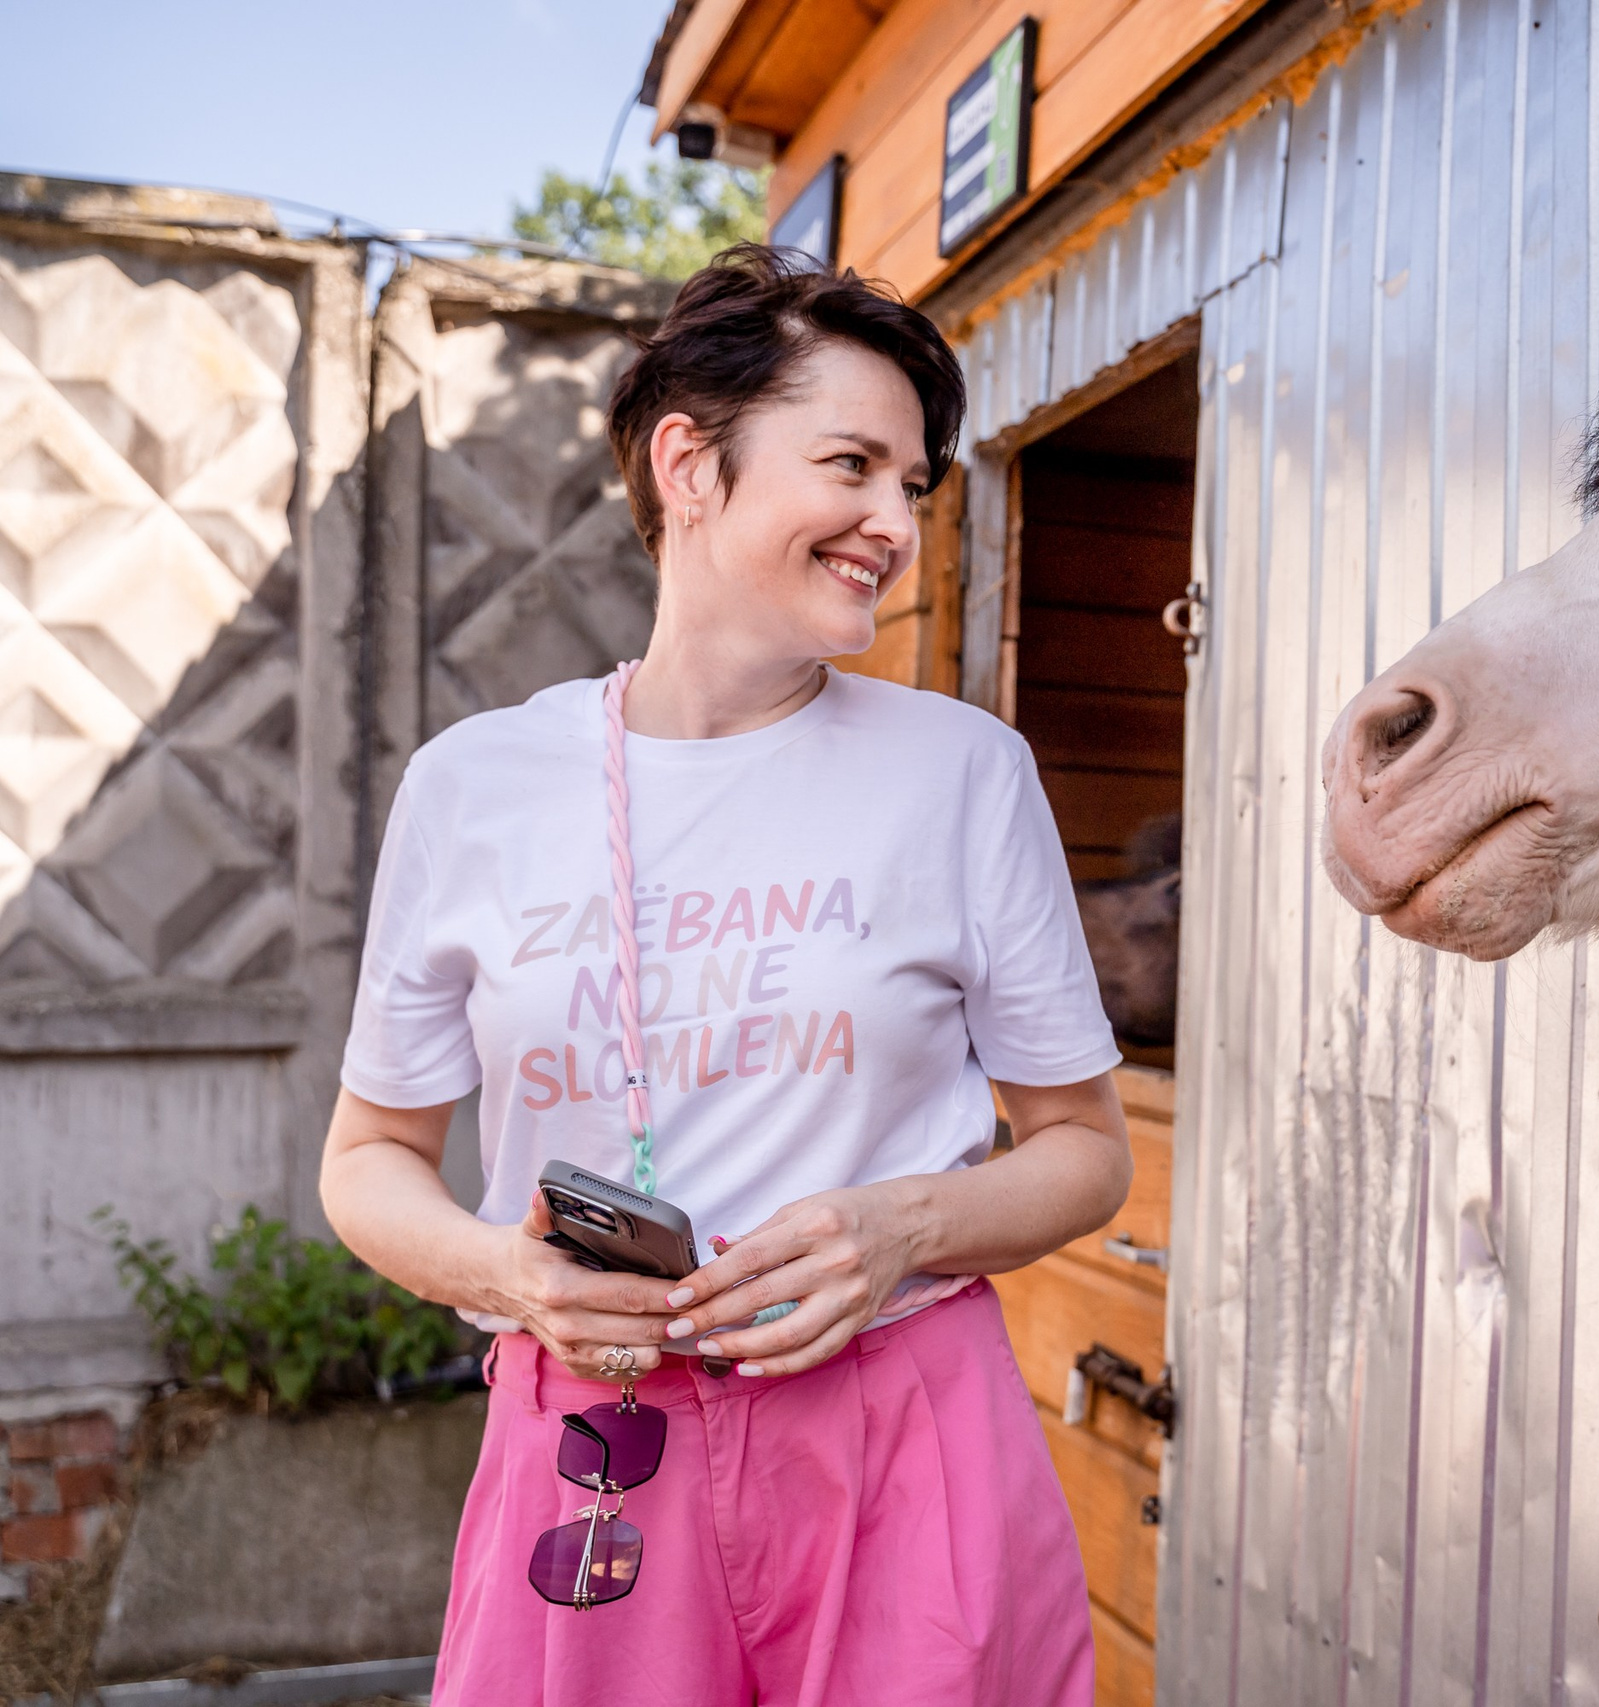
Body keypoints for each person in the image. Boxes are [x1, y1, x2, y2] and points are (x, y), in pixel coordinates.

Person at [318, 245, 1129, 1706]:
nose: (896, 520)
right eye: (853, 465)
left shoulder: (961, 774)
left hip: (901, 1428)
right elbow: (369, 1162)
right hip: (595, 1449)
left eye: (913, 485)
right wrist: (505, 1269)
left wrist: (907, 1225)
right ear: (691, 462)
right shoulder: (473, 787)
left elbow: (1083, 1153)